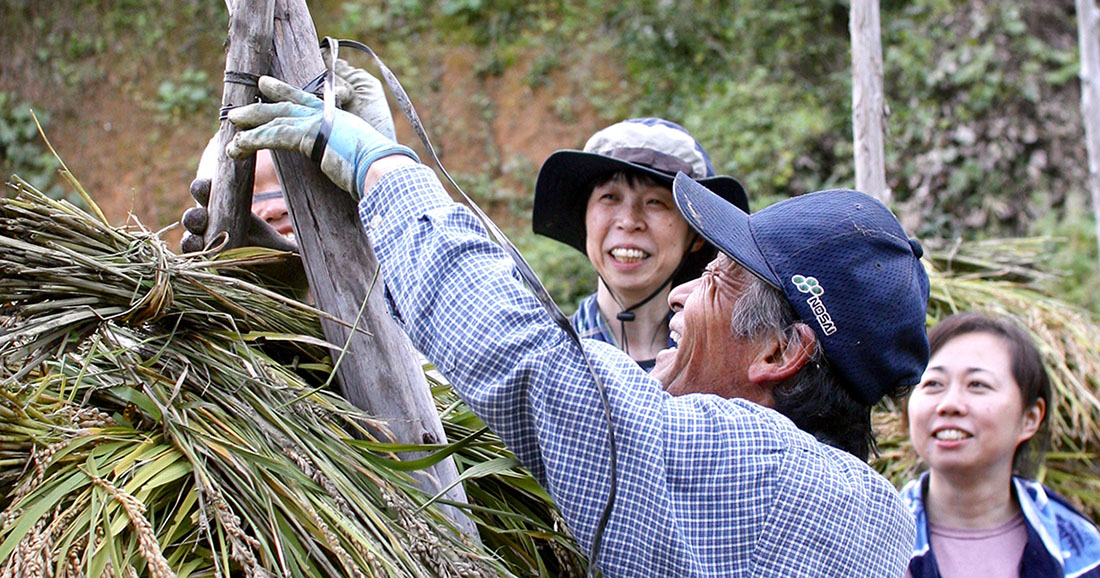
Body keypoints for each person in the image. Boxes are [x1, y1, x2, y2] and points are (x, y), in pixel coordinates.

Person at [223, 74, 931, 576]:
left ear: (779, 349)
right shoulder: (875, 514)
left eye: (715, 280)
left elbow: (526, 359)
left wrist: (384, 170)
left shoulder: (765, 472)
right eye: (609, 196)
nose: (685, 297)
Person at [532, 118, 748, 369]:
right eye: (609, 197)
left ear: (696, 234)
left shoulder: (726, 369)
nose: (629, 220)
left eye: (655, 202)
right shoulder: (546, 360)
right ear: (585, 219)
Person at [901, 312, 1100, 578]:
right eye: (933, 384)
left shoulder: (1081, 549)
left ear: (1029, 418)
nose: (949, 404)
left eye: (977, 385)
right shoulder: (868, 536)